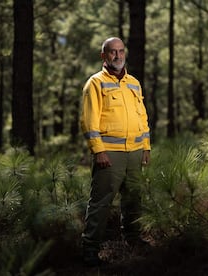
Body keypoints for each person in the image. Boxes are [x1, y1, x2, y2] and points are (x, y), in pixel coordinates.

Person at [80, 37, 151, 266]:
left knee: (133, 199)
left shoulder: (134, 83)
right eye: (112, 52)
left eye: (121, 51)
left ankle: (133, 239)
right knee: (101, 203)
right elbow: (89, 121)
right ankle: (90, 249)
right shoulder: (95, 83)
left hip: (135, 152)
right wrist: (98, 151)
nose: (118, 56)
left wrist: (146, 146)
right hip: (109, 154)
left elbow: (142, 116)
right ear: (104, 56)